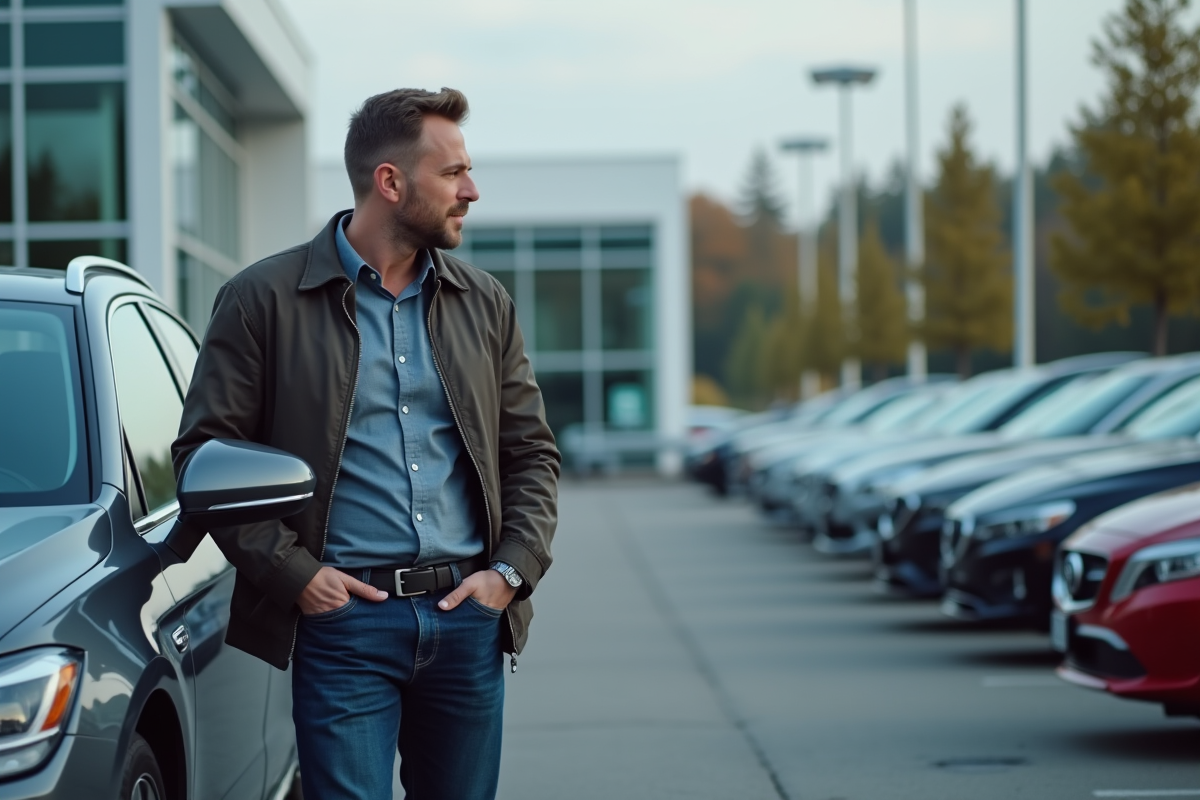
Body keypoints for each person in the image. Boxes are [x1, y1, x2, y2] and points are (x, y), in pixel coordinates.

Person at [172, 87, 560, 800]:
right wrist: (295, 575)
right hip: (344, 625)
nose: (471, 191)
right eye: (452, 174)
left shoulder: (485, 303)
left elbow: (531, 455)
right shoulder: (263, 300)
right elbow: (204, 458)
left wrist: (508, 575)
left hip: (468, 617)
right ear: (390, 182)